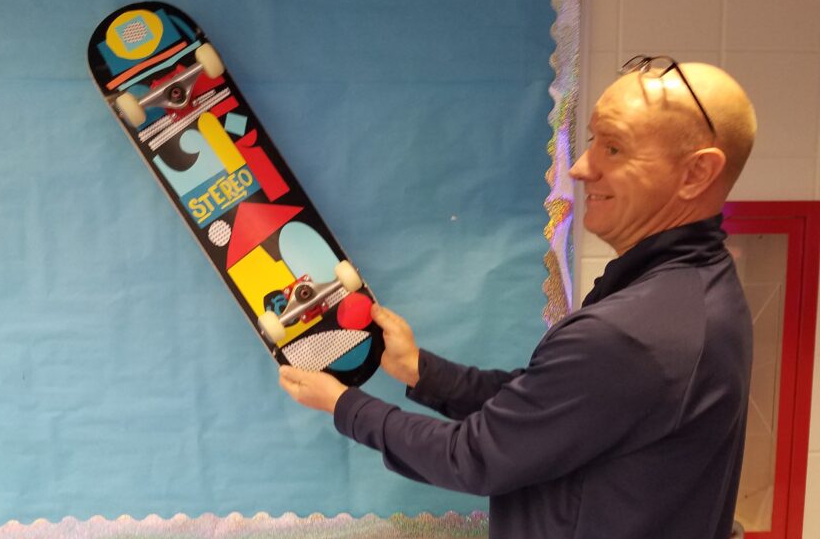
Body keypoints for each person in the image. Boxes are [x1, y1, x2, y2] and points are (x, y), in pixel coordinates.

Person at [278, 56, 758, 539]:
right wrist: (421, 371)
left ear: (696, 174)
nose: (581, 166)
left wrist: (344, 405)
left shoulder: (635, 332)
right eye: (592, 141)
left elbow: (475, 456)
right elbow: (549, 405)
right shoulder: (698, 286)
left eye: (613, 148)